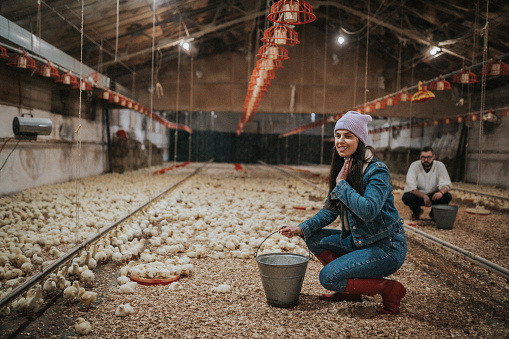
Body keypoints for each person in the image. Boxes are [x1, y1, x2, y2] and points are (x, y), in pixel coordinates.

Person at [278, 111, 407, 315]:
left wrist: (342, 185)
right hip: (359, 242)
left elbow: (369, 211)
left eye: (348, 136)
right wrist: (301, 228)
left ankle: (389, 289)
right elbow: (330, 210)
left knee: (328, 278)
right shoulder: (345, 165)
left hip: (386, 247)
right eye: (338, 135)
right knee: (311, 235)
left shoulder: (377, 171)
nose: (341, 141)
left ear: (360, 140)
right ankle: (350, 292)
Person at [402, 146, 452, 220]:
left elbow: (446, 184)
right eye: (423, 157)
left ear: (433, 156)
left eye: (428, 157)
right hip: (419, 196)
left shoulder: (439, 166)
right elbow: (410, 187)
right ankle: (416, 211)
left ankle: (434, 213)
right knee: (406, 197)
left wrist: (441, 192)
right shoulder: (414, 166)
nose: (426, 160)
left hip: (434, 196)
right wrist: (424, 196)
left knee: (447, 196)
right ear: (420, 157)